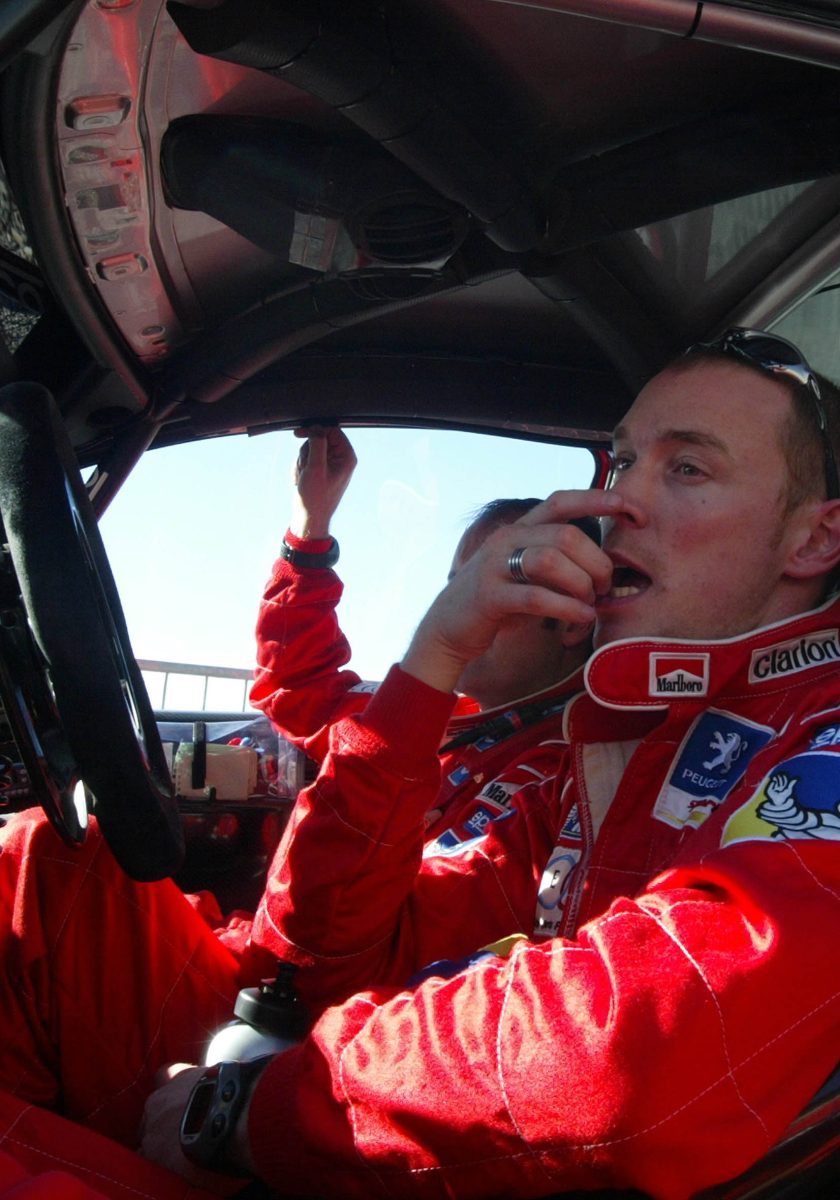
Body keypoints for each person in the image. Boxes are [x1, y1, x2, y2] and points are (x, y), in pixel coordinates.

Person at [2, 328, 840, 1200]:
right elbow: (321, 961)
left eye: (688, 468)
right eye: (623, 462)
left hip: (351, 1119)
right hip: (335, 1081)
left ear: (815, 540)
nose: (620, 500)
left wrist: (254, 1111)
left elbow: (644, 1050)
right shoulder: (609, 758)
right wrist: (433, 654)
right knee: (45, 859)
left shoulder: (806, 740)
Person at [250, 425, 596, 756]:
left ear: (573, 620)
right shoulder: (441, 720)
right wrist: (310, 524)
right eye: (457, 586)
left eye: (493, 587)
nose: (459, 607)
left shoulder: (576, 771)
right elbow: (299, 693)